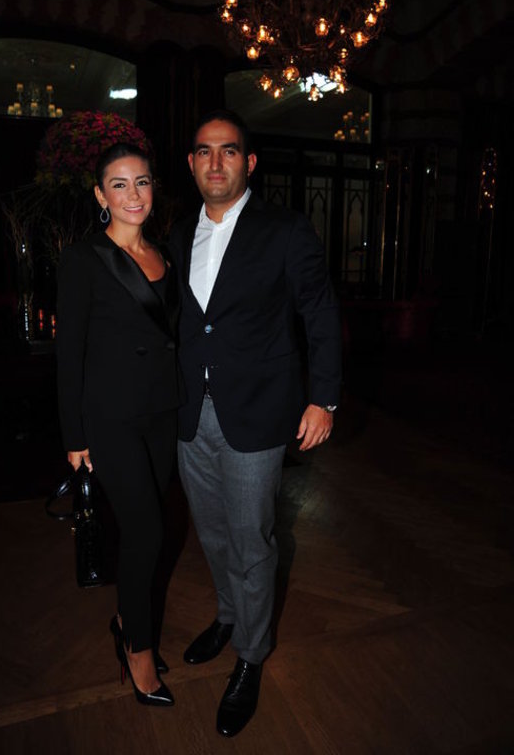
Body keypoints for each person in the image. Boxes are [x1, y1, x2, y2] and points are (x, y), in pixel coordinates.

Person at [167, 109, 342, 737]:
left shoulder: (285, 230)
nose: (216, 162)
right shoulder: (175, 229)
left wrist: (324, 399)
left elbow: (320, 313)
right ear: (191, 163)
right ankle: (227, 616)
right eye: (204, 151)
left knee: (252, 540)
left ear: (250, 162)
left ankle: (251, 653)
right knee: (213, 534)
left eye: (229, 151)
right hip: (190, 413)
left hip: (260, 412)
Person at [56, 141, 181, 707]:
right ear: (101, 194)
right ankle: (138, 649)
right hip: (111, 419)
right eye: (120, 184)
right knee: (147, 532)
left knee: (148, 531)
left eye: (143, 182)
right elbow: (69, 355)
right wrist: (74, 436)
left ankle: (127, 618)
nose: (134, 194)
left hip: (162, 413)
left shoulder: (164, 253)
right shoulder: (84, 259)